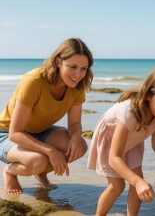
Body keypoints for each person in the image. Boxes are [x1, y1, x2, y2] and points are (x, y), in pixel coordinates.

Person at [87, 66, 155, 216]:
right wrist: (137, 182)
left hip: (133, 141)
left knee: (138, 180)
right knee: (117, 185)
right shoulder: (129, 112)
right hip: (111, 141)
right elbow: (114, 158)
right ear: (148, 95)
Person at [0, 38, 93, 194]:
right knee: (38, 161)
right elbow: (15, 133)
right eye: (73, 67)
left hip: (41, 131)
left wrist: (76, 137)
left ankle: (41, 171)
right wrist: (51, 151)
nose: (78, 74)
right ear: (58, 61)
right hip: (6, 134)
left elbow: (75, 124)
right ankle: (10, 172)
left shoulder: (77, 87)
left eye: (84, 68)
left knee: (79, 146)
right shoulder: (34, 81)